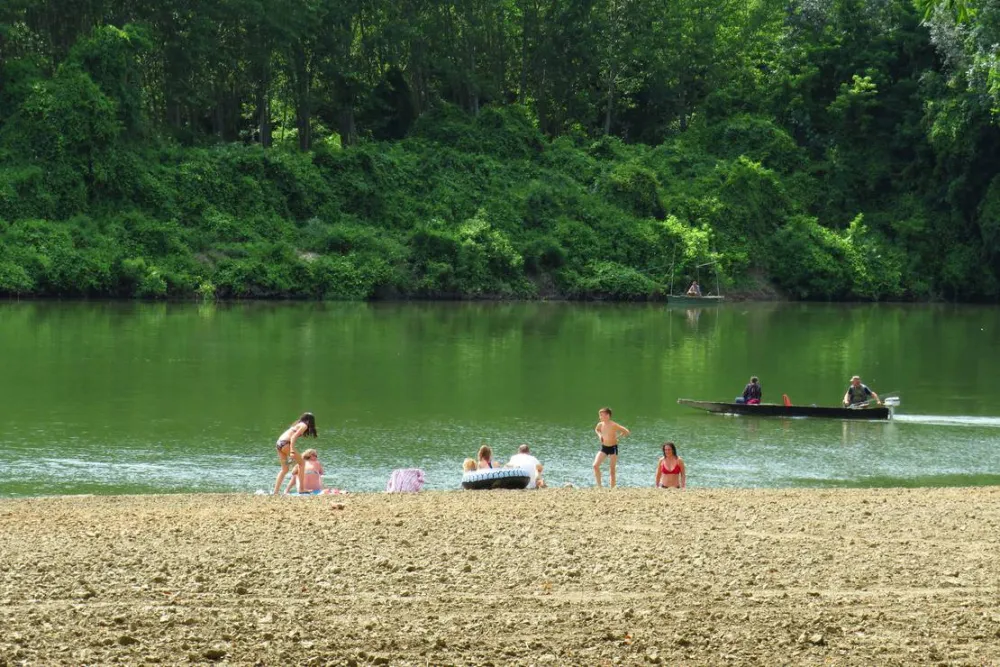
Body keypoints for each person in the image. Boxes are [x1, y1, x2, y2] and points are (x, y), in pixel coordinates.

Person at [272, 412, 317, 495]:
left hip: (279, 443)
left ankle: (275, 492)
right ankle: (301, 489)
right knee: (302, 463)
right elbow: (293, 437)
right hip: (285, 443)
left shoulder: (298, 424)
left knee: (285, 469)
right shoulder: (304, 425)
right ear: (309, 421)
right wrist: (292, 450)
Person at [593, 407, 630, 488]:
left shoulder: (613, 424)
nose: (600, 417)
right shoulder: (600, 424)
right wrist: (600, 436)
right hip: (604, 448)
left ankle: (612, 488)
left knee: (612, 470)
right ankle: (599, 487)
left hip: (613, 448)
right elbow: (597, 430)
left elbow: (626, 431)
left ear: (607, 415)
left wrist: (618, 437)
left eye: (601, 415)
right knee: (595, 466)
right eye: (600, 415)